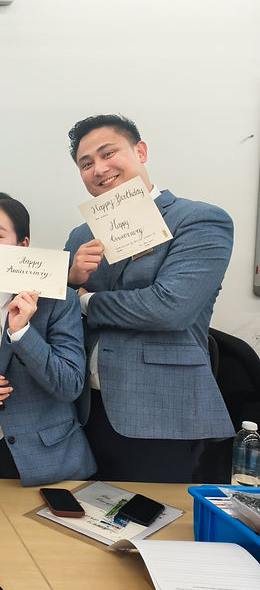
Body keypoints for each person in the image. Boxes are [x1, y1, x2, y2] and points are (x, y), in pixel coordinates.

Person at [65, 114, 234, 483]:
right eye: (86, 163)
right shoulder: (81, 234)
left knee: (154, 530)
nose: (99, 169)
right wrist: (67, 281)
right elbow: (58, 315)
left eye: (108, 154)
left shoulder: (199, 220)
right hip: (84, 413)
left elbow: (170, 307)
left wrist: (85, 301)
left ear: (140, 151)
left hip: (162, 413)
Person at [0, 192, 95, 486]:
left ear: (22, 245)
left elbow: (70, 385)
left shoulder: (59, 299)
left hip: (48, 455)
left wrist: (22, 333)